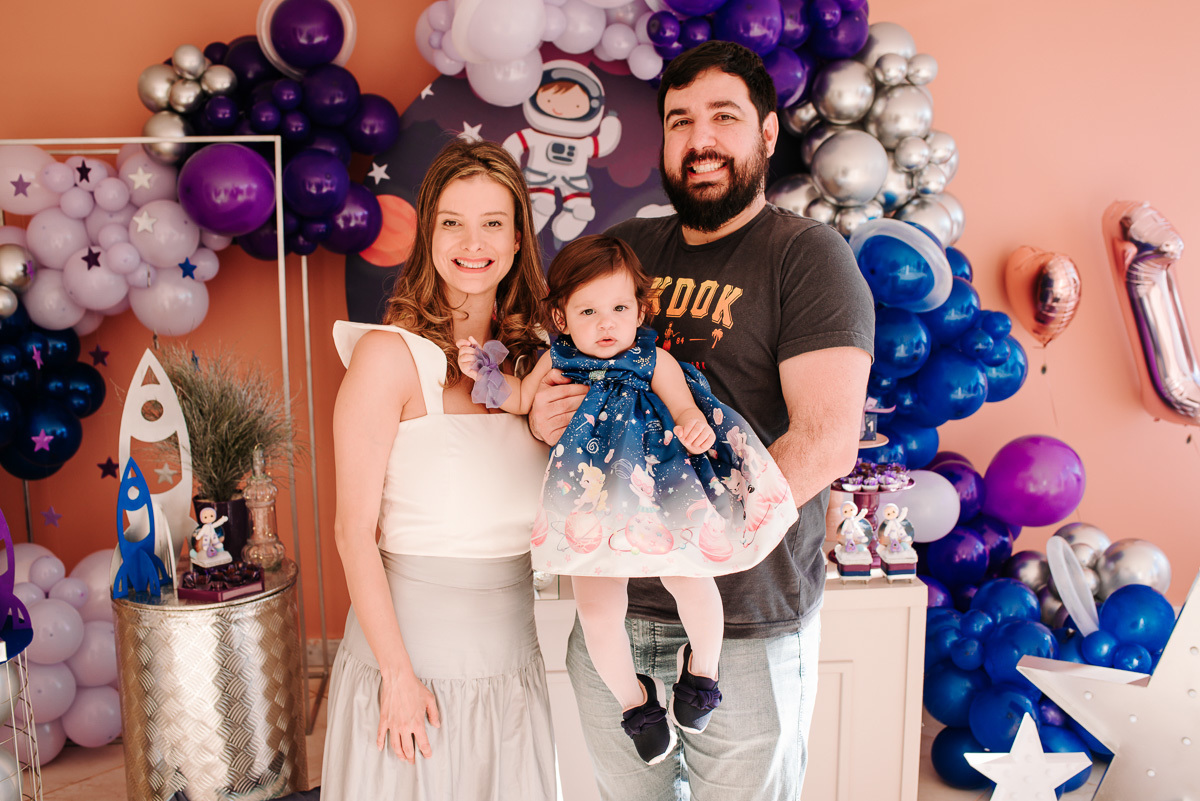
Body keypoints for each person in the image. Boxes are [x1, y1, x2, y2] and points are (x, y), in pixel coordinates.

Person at [528, 41, 875, 800]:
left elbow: (825, 440)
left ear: (768, 133)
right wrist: (542, 413)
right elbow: (561, 376)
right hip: (616, 609)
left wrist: (703, 536)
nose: (700, 138)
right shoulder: (627, 250)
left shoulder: (806, 257)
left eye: (724, 116)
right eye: (680, 120)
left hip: (744, 622)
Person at [457, 234, 797, 765]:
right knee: (597, 609)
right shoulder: (556, 359)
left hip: (661, 490)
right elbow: (518, 399)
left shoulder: (651, 358)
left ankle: (703, 670)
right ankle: (635, 702)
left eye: (619, 308)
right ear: (561, 318)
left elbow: (684, 408)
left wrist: (693, 428)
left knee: (692, 579)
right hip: (587, 499)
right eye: (588, 311)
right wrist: (482, 371)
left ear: (640, 310)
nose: (607, 324)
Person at [323, 138, 556, 801]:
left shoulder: (538, 367)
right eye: (452, 221)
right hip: (408, 675)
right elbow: (352, 533)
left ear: (517, 240)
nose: (472, 242)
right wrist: (396, 675)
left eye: (492, 223)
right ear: (427, 233)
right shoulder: (387, 358)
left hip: (513, 675)